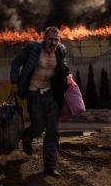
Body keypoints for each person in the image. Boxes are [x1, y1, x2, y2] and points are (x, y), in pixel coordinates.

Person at [10, 26, 69, 178]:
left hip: (51, 95)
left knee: (52, 131)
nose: (53, 42)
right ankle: (27, 136)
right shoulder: (32, 49)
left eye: (56, 40)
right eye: (51, 39)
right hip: (34, 94)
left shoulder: (61, 52)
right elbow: (15, 63)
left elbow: (62, 70)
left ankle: (50, 166)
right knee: (38, 127)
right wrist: (14, 83)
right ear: (44, 39)